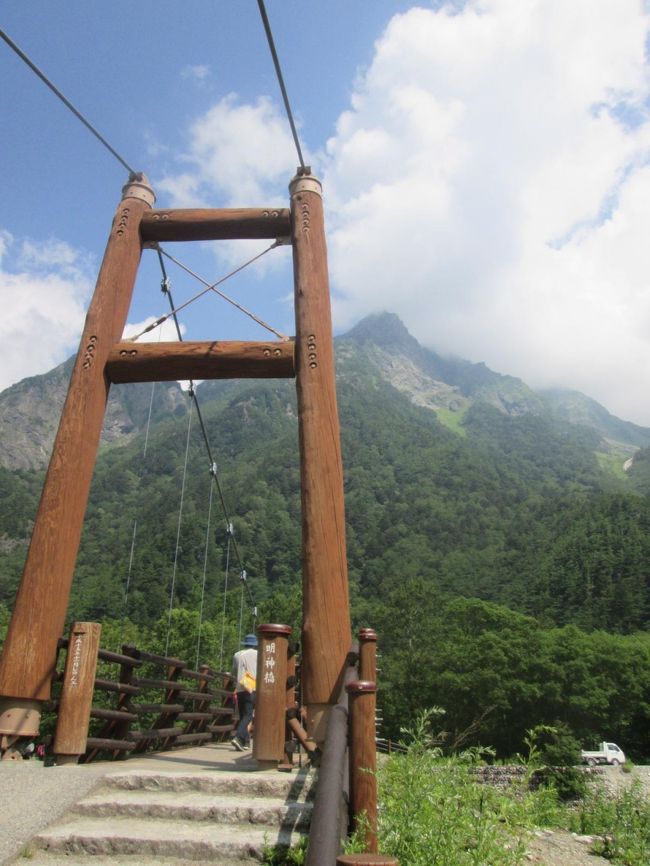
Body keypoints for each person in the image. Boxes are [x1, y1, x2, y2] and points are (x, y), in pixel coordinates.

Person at [231, 633, 258, 751]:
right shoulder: (258, 655)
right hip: (252, 688)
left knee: (243, 715)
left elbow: (234, 671)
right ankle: (237, 737)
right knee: (248, 715)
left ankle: (245, 742)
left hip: (240, 688)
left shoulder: (236, 655)